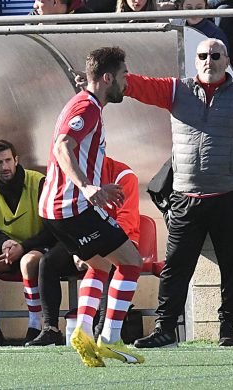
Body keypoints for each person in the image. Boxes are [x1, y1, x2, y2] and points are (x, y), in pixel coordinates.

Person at [119, 38, 233, 348]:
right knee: (175, 266)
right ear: (195, 60)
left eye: (216, 55)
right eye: (203, 55)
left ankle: (228, 327)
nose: (209, 61)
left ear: (227, 60)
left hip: (230, 197)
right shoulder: (178, 90)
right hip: (186, 197)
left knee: (232, 264)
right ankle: (165, 329)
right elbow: (139, 86)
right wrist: (108, 78)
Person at [39, 46, 144, 367]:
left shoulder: (83, 102)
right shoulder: (88, 109)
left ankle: (84, 332)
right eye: (124, 76)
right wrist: (87, 187)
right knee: (131, 262)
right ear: (108, 78)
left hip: (55, 209)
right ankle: (110, 338)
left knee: (99, 265)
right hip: (74, 207)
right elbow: (62, 146)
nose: (127, 83)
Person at [26, 156, 139, 346]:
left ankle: (100, 330)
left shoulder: (123, 175)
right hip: (82, 237)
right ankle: (51, 329)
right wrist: (78, 250)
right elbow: (66, 217)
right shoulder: (74, 174)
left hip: (114, 237)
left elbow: (126, 222)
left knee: (111, 263)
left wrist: (91, 248)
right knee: (48, 262)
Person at [0, 139, 53, 346]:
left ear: (16, 160)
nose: (5, 166)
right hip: (7, 248)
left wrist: (23, 247)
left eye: (8, 160)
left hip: (36, 245)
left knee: (28, 262)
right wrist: (5, 243)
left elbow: (52, 228)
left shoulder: (39, 182)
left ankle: (35, 325)